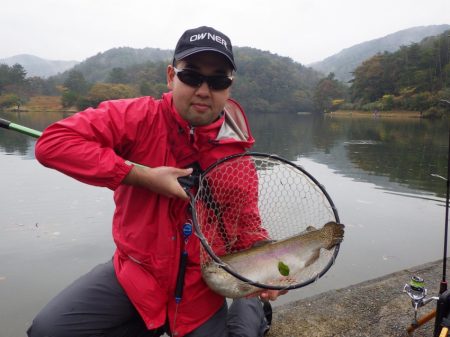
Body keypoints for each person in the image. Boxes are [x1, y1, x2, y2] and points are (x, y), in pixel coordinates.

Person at [27, 26, 284, 337]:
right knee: (48, 331)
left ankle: (250, 307)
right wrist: (141, 176)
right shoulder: (137, 117)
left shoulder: (238, 159)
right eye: (191, 76)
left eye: (217, 80)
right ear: (170, 76)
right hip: (136, 276)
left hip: (201, 290)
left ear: (229, 87)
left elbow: (246, 227)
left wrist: (267, 268)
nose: (204, 90)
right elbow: (53, 143)